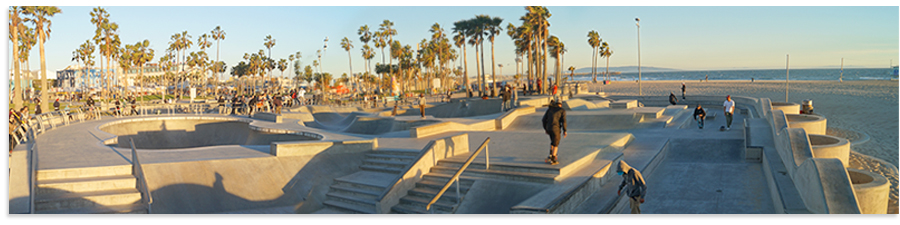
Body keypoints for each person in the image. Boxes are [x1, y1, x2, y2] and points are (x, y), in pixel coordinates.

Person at [541, 100, 567, 165]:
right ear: (560, 104)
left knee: (552, 141)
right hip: (556, 129)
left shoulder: (550, 109)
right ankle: (553, 159)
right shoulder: (562, 110)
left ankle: (550, 155)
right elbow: (563, 121)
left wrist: (546, 128)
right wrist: (565, 130)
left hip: (549, 128)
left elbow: (543, 120)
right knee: (556, 144)